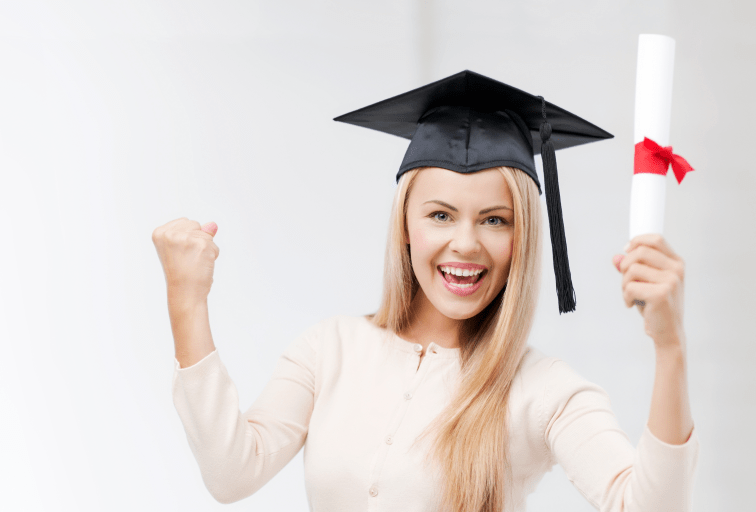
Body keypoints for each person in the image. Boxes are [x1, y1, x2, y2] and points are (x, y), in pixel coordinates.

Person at [153, 71, 699, 512]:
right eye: (440, 214)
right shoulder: (329, 351)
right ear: (406, 225)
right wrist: (187, 301)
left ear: (524, 238)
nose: (466, 244)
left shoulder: (543, 391)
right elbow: (230, 473)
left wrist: (670, 348)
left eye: (496, 220)